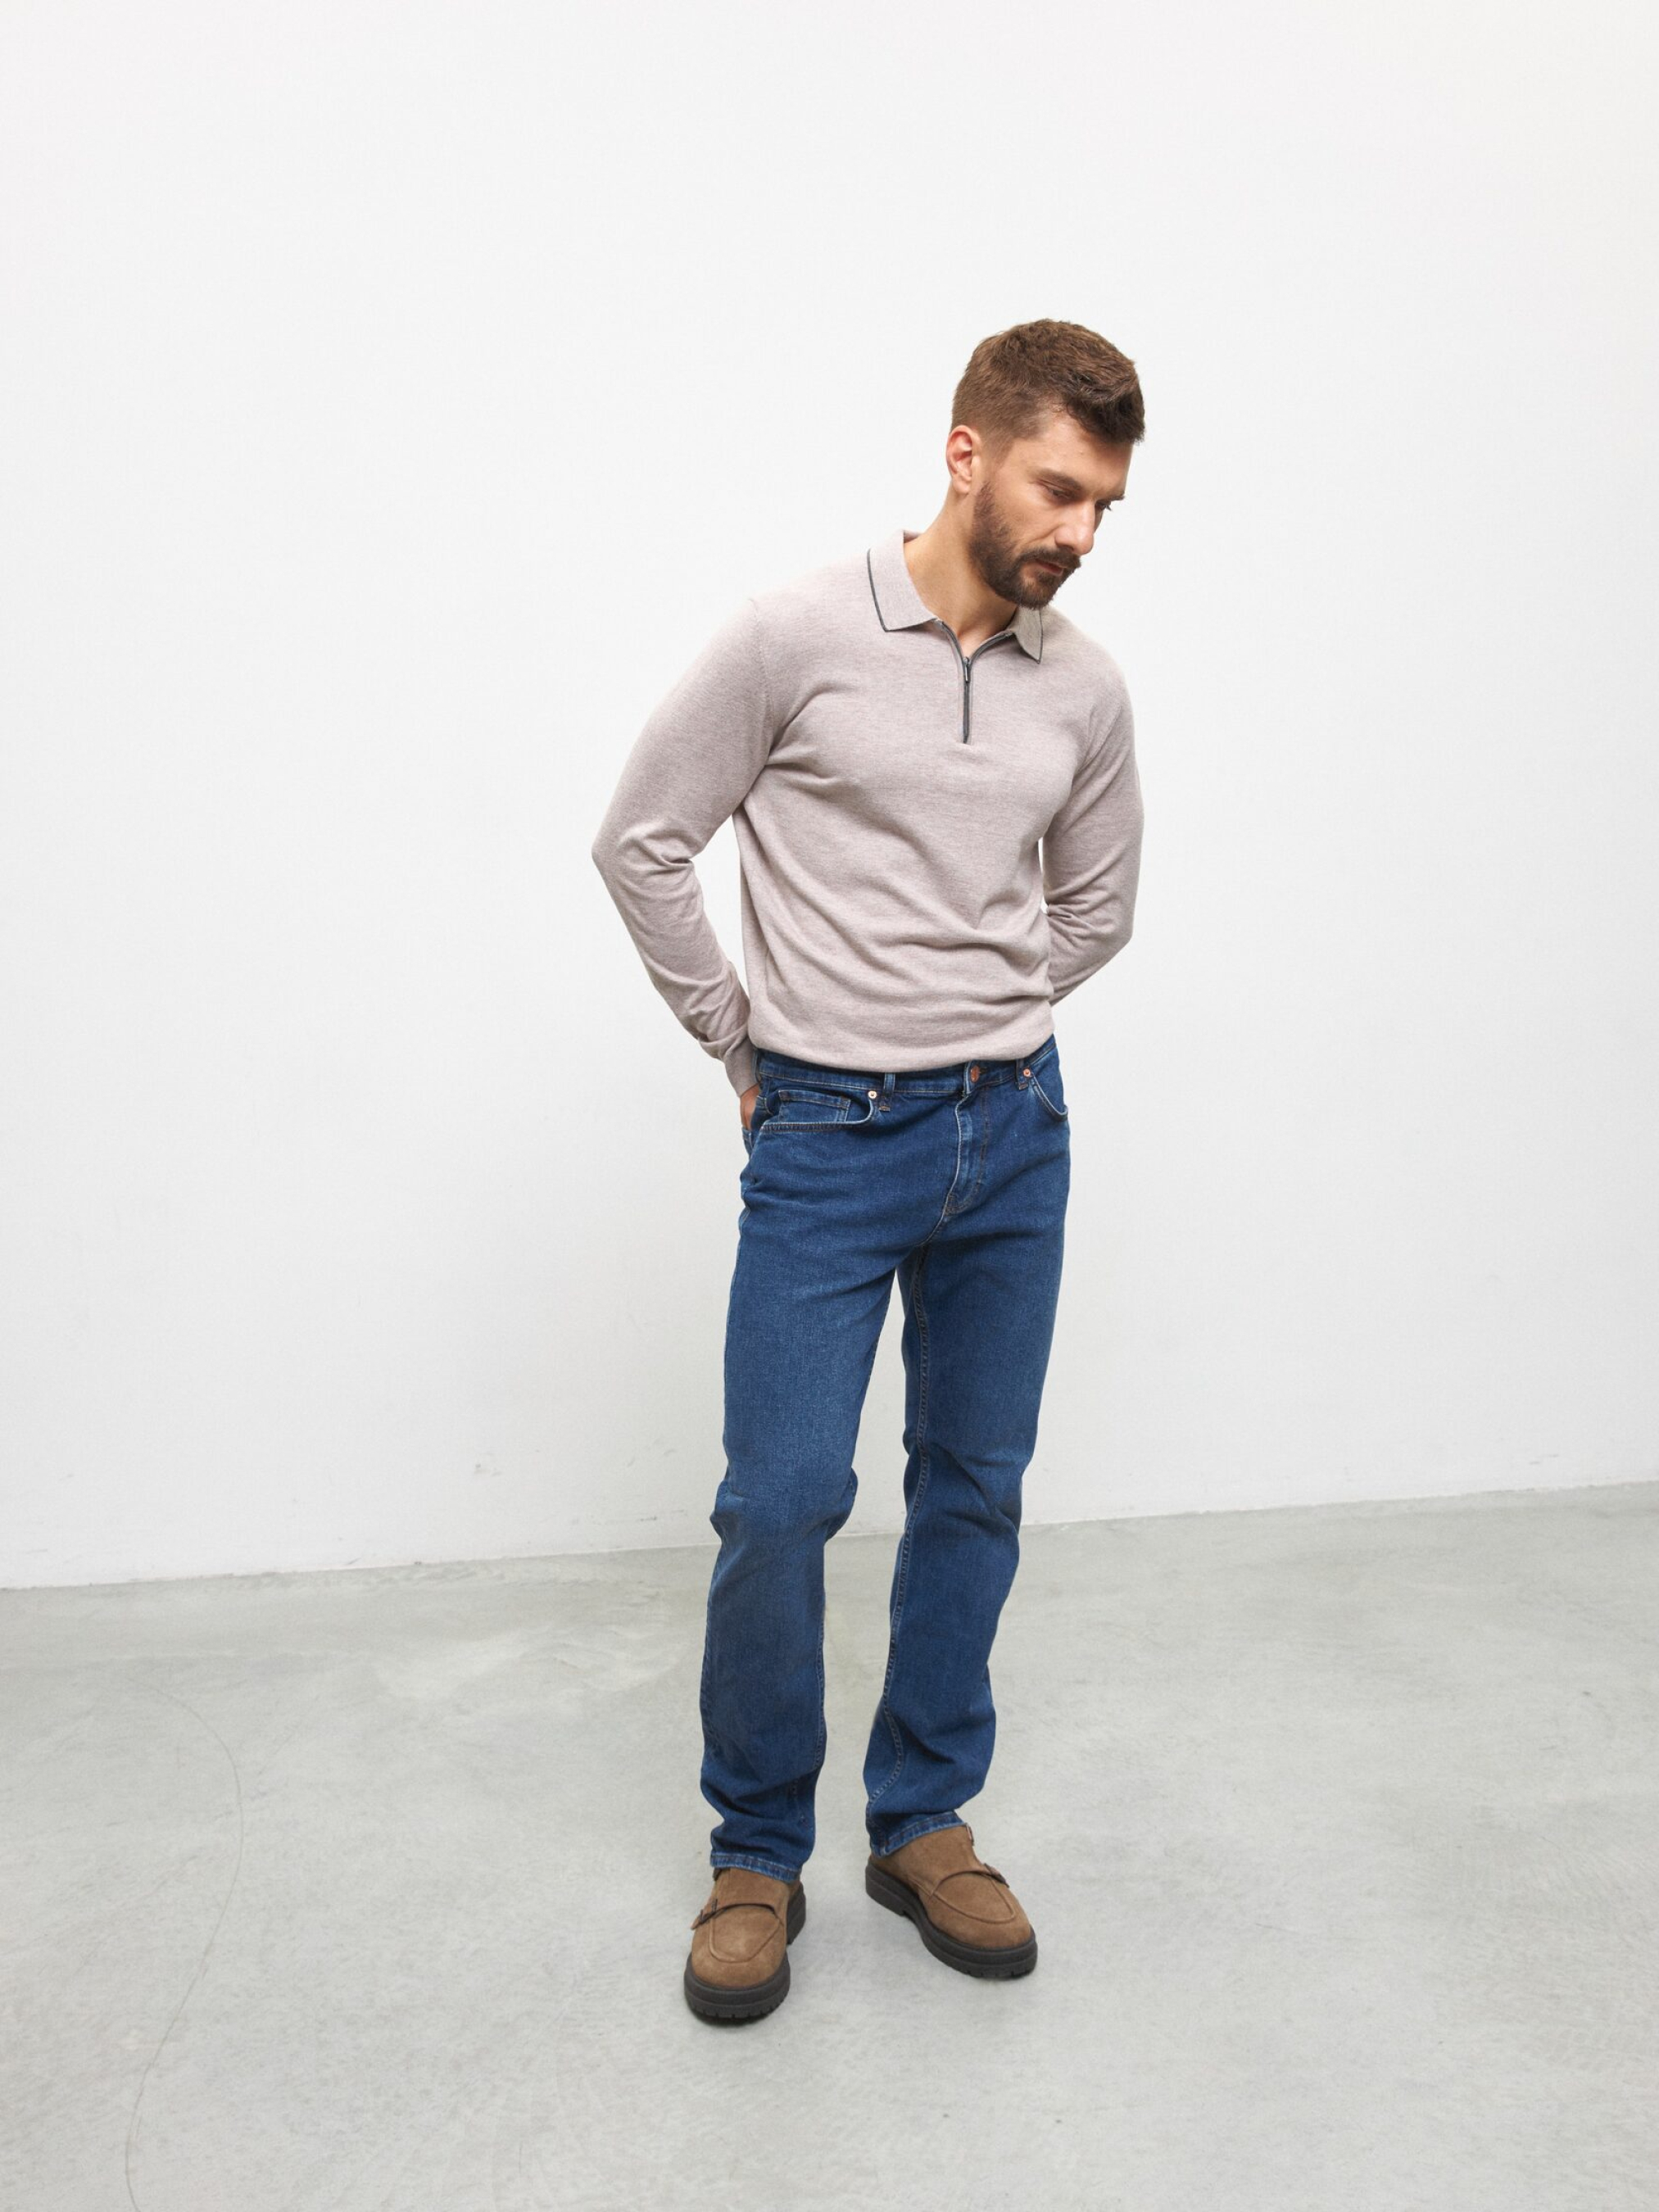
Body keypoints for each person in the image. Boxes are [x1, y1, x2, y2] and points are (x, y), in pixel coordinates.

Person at [591, 317, 1146, 2023]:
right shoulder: (794, 635)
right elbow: (641, 841)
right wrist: (742, 1044)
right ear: (965, 454)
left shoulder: (1083, 685)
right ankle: (756, 1850)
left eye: (1104, 504)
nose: (1078, 530)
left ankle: (920, 1821)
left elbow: (1098, 907)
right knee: (778, 1498)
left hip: (1014, 1134)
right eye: (1056, 488)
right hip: (825, 1134)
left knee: (972, 1485)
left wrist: (979, 1010)